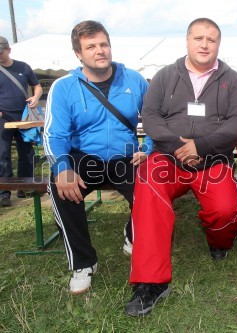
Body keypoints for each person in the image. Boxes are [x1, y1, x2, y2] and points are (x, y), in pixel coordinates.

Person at [124, 18, 237, 316]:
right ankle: (150, 282)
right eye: (198, 38)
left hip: (213, 160)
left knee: (225, 212)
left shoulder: (233, 80)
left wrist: (202, 147)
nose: (204, 44)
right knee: (148, 185)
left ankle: (219, 240)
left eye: (211, 39)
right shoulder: (166, 75)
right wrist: (178, 146)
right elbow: (151, 116)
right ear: (187, 40)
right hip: (168, 159)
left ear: (219, 44)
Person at [43, 20, 149, 294]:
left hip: (125, 156)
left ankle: (131, 234)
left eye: (103, 44)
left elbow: (155, 119)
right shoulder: (64, 86)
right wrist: (63, 167)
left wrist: (147, 147)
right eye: (91, 46)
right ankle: (83, 263)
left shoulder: (134, 80)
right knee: (59, 187)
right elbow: (54, 135)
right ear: (79, 53)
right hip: (83, 156)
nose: (99, 50)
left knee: (152, 189)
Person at [0, 36, 43, 207]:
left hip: (24, 117)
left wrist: (36, 97)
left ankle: (24, 186)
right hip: (3, 118)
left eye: (1, 52)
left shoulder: (24, 67)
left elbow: (37, 86)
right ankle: (4, 192)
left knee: (27, 154)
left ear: (8, 50)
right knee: (2, 155)